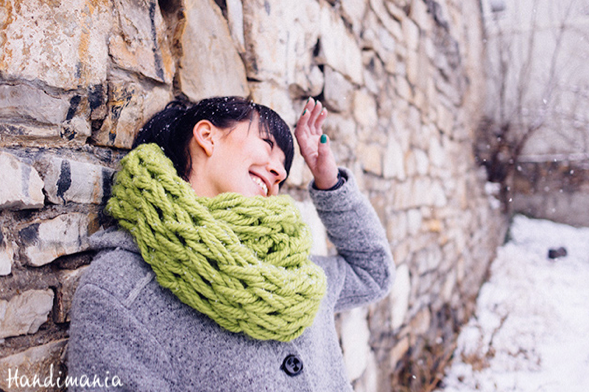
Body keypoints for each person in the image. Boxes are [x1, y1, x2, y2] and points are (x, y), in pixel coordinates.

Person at [67, 96, 394, 391]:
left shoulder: (295, 271)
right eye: (267, 144)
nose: (279, 172)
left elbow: (373, 271)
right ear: (207, 136)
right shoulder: (120, 291)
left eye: (284, 167)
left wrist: (330, 181)